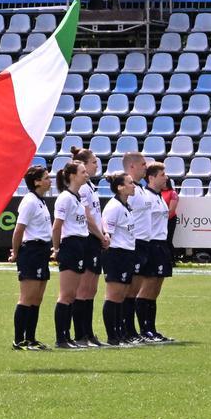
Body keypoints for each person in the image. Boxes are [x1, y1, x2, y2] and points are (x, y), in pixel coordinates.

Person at [7, 165, 52, 350]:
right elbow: (19, 229)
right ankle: (19, 339)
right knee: (27, 297)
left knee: (37, 298)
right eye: (46, 177)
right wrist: (16, 252)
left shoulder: (40, 201)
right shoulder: (30, 201)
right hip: (31, 250)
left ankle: (31, 338)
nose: (50, 180)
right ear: (37, 182)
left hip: (42, 251)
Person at [70, 147, 109, 347]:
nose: (96, 165)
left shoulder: (90, 186)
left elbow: (96, 215)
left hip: (95, 239)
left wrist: (103, 233)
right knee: (83, 290)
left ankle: (89, 332)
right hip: (88, 239)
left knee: (91, 289)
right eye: (93, 162)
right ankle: (81, 334)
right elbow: (87, 217)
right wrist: (101, 234)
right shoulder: (82, 188)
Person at [51, 160, 92, 349]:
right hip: (70, 245)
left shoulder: (77, 197)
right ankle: (61, 338)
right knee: (66, 295)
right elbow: (57, 226)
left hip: (80, 245)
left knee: (73, 295)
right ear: (72, 176)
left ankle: (67, 336)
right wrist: (57, 249)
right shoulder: (65, 198)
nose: (86, 174)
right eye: (83, 172)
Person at [139, 162, 175, 343]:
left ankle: (151, 328)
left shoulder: (159, 196)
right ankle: (144, 330)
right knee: (146, 289)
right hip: (151, 244)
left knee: (155, 290)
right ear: (151, 177)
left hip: (161, 245)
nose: (166, 177)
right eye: (162, 174)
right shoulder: (146, 197)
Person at [101, 172, 137, 346]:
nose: (134, 185)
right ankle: (112, 335)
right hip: (116, 253)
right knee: (114, 295)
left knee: (122, 295)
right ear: (120, 187)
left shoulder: (125, 205)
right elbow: (108, 233)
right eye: (130, 183)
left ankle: (120, 332)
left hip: (127, 252)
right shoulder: (113, 207)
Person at [122, 152, 149, 343]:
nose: (146, 167)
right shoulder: (127, 190)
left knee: (135, 290)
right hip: (134, 242)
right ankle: (127, 330)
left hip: (143, 243)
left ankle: (131, 331)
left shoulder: (140, 188)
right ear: (132, 166)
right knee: (129, 290)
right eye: (143, 164)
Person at [161, 178, 179, 265]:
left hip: (170, 220)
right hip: (160, 221)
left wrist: (163, 220)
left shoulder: (173, 193)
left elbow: (171, 210)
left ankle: (172, 260)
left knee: (168, 240)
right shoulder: (158, 193)